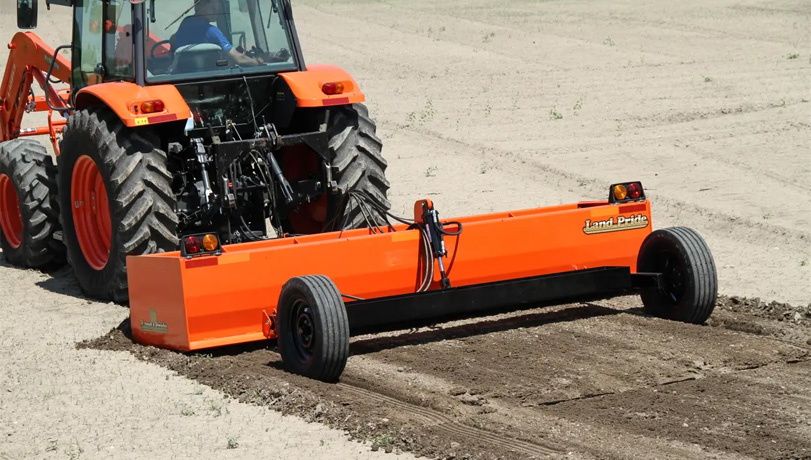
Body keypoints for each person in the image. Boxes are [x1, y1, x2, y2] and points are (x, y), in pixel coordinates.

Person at [174, 0, 281, 67]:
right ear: (198, 6)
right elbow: (239, 59)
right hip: (212, 77)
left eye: (218, 7)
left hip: (184, 73)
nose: (216, 10)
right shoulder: (211, 31)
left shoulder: (186, 22)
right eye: (212, 7)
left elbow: (173, 40)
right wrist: (260, 61)